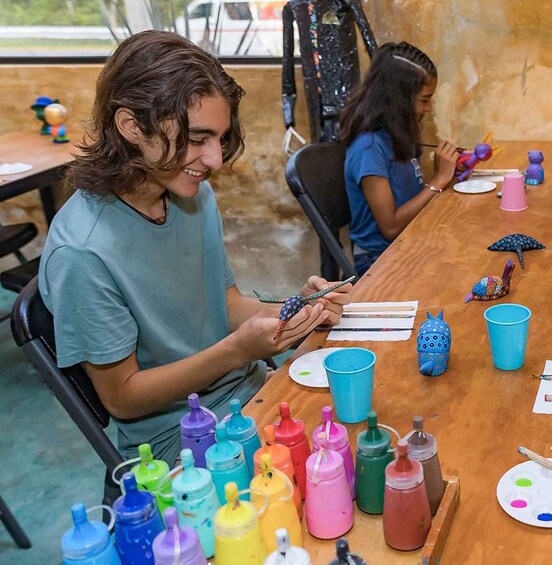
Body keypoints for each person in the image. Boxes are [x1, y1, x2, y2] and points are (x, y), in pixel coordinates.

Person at [38, 31, 353, 463]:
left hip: (249, 391)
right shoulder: (83, 252)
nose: (215, 160)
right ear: (131, 126)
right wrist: (238, 350)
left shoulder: (191, 194)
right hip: (178, 438)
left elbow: (223, 305)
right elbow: (123, 398)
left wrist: (297, 308)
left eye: (218, 139)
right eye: (197, 138)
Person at [338, 41, 460, 277]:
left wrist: (447, 173)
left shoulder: (395, 134)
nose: (429, 108)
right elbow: (391, 227)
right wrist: (439, 180)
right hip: (379, 260)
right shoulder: (369, 148)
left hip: (409, 243)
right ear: (399, 98)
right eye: (424, 100)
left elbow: (411, 198)